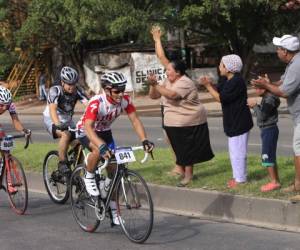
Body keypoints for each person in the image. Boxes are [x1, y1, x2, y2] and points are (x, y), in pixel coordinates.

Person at [76, 71, 154, 225]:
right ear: (106, 90)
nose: (120, 94)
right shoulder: (96, 102)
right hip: (86, 130)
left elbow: (135, 120)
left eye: (122, 90)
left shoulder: (125, 100)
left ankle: (113, 210)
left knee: (115, 172)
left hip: (105, 132)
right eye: (117, 91)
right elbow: (88, 128)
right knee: (98, 151)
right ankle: (89, 176)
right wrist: (102, 146)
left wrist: (144, 140)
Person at [148, 26, 214, 187]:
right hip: (174, 121)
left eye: (169, 69)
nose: (166, 71)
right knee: (177, 146)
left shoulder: (184, 82)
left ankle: (187, 176)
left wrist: (156, 84)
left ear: (178, 72)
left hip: (188, 121)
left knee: (186, 149)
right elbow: (154, 95)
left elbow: (172, 95)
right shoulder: (168, 79)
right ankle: (180, 169)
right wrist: (153, 85)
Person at [251, 34, 300, 200]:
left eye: (278, 49)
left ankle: (299, 186)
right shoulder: (293, 63)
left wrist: (266, 85)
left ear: (285, 51)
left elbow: (284, 92)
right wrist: (267, 83)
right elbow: (282, 83)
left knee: (298, 149)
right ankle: (297, 184)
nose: (277, 51)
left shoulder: (296, 65)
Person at [199, 54, 253, 188]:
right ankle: (237, 176)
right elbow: (220, 90)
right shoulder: (227, 79)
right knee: (233, 151)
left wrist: (207, 86)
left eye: (221, 65)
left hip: (239, 121)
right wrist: (211, 84)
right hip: (231, 120)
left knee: (238, 151)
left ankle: (240, 179)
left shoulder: (237, 81)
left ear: (229, 68)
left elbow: (221, 98)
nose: (219, 67)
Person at [43, 66, 88, 176]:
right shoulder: (55, 90)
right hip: (52, 119)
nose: (71, 87)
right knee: (66, 135)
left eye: (73, 84)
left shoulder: (77, 91)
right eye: (69, 84)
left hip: (67, 120)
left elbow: (89, 105)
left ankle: (77, 177)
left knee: (81, 142)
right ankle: (62, 163)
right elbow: (53, 109)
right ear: (63, 82)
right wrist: (58, 125)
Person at [248, 87, 281, 192]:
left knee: (267, 156)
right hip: (268, 129)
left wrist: (254, 106)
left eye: (257, 88)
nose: (255, 90)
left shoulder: (269, 99)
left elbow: (262, 116)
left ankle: (274, 182)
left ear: (264, 88)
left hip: (269, 129)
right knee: (271, 156)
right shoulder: (268, 97)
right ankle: (275, 180)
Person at [0, 86, 31, 193]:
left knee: (6, 151)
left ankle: (9, 184)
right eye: (1, 105)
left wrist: (24, 131)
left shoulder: (10, 104)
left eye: (6, 105)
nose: (4, 108)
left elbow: (16, 121)